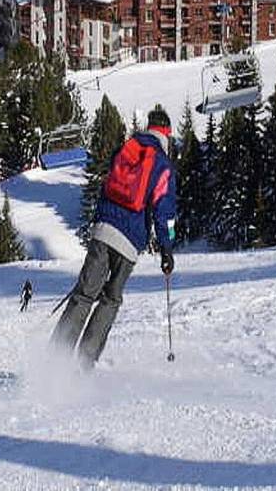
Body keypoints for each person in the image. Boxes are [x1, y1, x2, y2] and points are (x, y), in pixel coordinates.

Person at [52, 106, 177, 368]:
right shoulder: (162, 163)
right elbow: (164, 212)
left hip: (103, 231)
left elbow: (107, 183)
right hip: (129, 242)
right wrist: (167, 248)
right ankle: (83, 365)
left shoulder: (127, 149)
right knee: (110, 299)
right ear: (167, 134)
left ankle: (56, 360)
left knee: (85, 293)